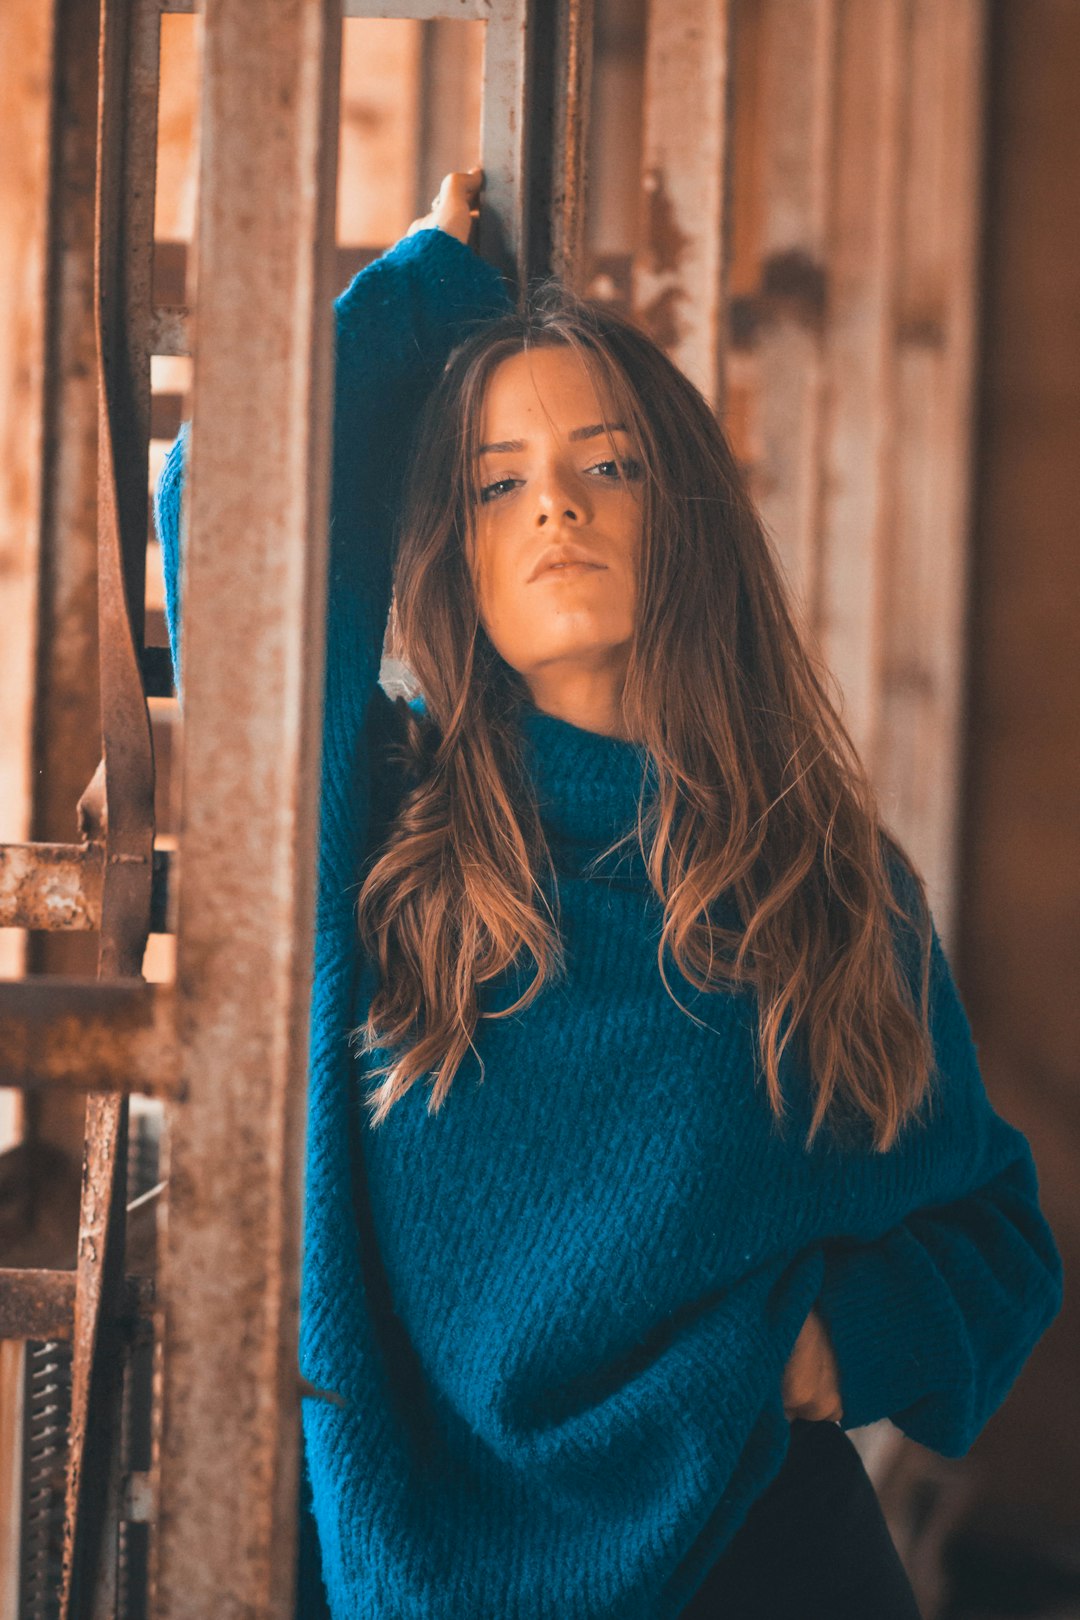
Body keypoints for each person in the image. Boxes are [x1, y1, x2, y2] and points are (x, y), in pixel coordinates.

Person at [154, 169, 1063, 1619]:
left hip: (756, 1565)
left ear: (682, 508)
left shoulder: (823, 886)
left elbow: (997, 1243)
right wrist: (423, 299)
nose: (556, 505)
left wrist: (831, 1349)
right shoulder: (378, 836)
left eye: (609, 463)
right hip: (415, 1579)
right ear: (455, 553)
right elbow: (225, 512)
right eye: (497, 482)